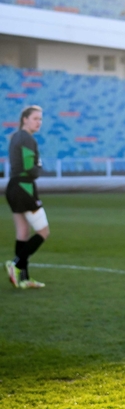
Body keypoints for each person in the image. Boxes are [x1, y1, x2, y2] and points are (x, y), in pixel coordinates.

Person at [5, 105, 48, 289]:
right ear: (25, 119)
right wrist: (39, 167)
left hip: (14, 186)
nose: (39, 122)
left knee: (23, 232)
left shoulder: (16, 137)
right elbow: (32, 169)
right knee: (44, 232)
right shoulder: (27, 139)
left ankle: (22, 278)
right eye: (35, 118)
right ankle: (16, 264)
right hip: (24, 187)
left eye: (40, 119)